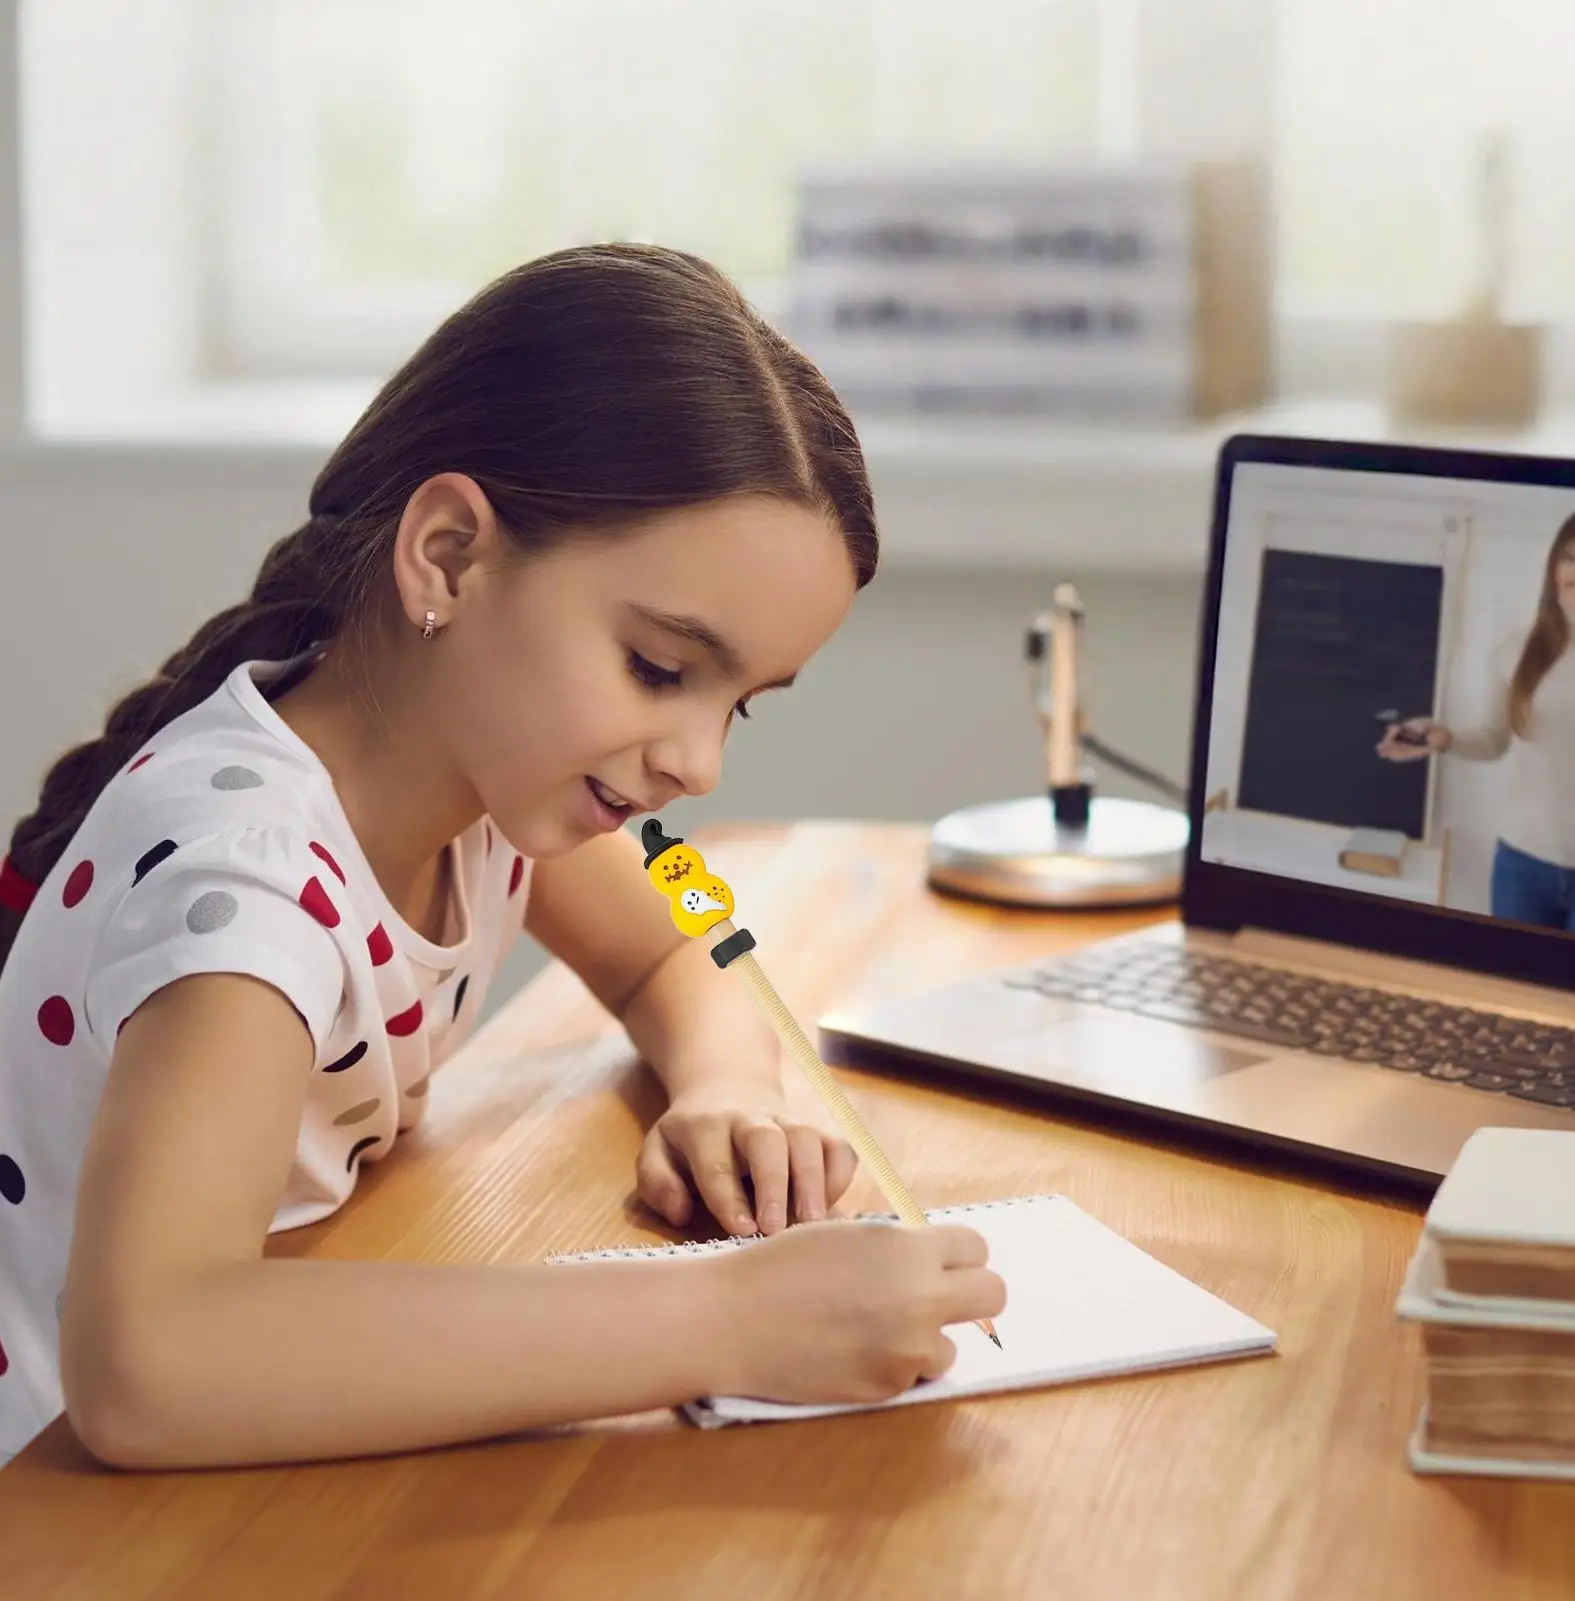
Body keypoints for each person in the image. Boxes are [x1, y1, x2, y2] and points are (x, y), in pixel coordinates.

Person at [0, 245, 1005, 1469]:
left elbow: (678, 948)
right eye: (658, 668)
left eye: (737, 702)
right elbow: (148, 1363)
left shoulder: (483, 793)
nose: (698, 763)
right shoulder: (250, 887)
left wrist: (727, 1088)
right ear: (447, 557)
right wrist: (729, 1318)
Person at [1377, 505, 1575, 932]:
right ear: (1554, 570)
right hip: (1522, 866)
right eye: (1571, 557)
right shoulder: (1516, 650)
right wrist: (1444, 737)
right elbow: (1494, 739)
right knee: (1513, 976)